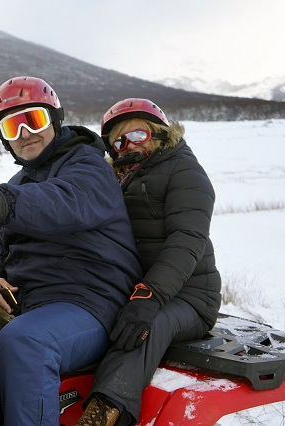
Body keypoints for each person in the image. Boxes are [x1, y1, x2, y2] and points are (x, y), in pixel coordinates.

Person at [0, 76, 142, 425]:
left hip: (89, 300)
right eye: (12, 126)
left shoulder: (87, 166)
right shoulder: (18, 185)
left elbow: (64, 202)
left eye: (33, 120)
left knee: (25, 343)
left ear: (54, 119)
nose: (24, 133)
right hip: (29, 296)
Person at [75, 99, 222, 426]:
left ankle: (103, 412)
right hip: (136, 289)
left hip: (190, 295)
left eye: (137, 134)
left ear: (159, 133)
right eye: (118, 141)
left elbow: (187, 240)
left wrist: (149, 296)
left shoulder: (184, 170)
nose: (128, 145)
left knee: (142, 329)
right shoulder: (114, 179)